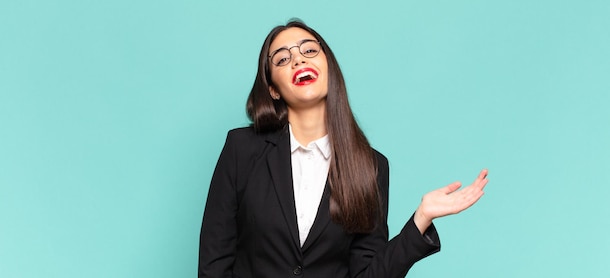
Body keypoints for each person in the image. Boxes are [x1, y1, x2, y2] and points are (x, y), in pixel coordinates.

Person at [199, 19, 489, 278]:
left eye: (309, 51)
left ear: (329, 68)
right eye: (283, 58)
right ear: (272, 89)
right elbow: (213, 264)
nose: (298, 60)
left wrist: (421, 219)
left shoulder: (371, 167)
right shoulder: (242, 149)